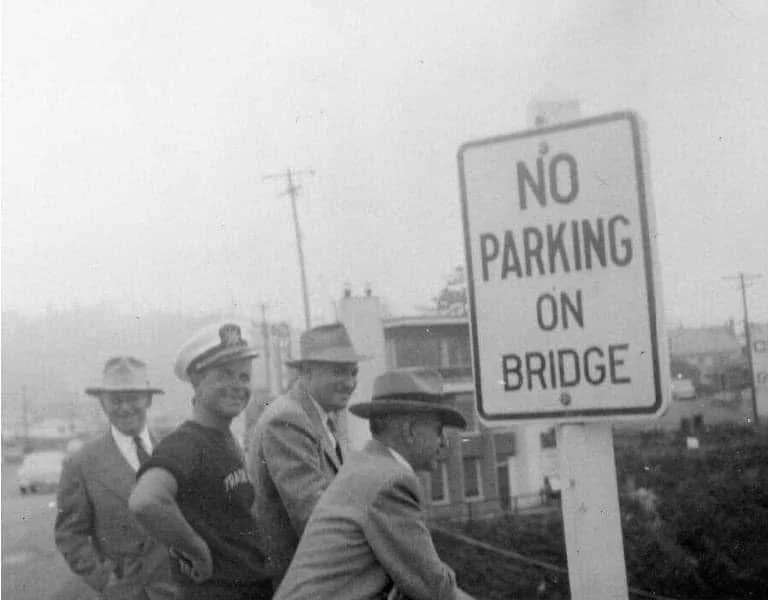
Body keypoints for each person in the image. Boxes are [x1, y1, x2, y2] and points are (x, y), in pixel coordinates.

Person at [273, 368, 475, 600]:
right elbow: (434, 588)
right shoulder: (391, 481)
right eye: (439, 430)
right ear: (409, 430)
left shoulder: (365, 467)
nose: (444, 442)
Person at [128, 321, 271, 600]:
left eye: (244, 377)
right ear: (197, 381)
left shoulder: (225, 440)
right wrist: (196, 549)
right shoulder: (186, 442)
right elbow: (146, 500)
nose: (237, 385)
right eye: (225, 375)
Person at [246, 321, 363, 586]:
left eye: (353, 373)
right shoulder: (288, 419)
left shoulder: (321, 419)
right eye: (338, 372)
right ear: (307, 372)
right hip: (298, 584)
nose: (349, 383)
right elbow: (314, 516)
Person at [54, 356, 178, 600]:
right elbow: (69, 535)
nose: (125, 408)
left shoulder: (173, 450)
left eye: (133, 398)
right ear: (103, 404)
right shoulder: (81, 464)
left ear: (148, 400)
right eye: (116, 400)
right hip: (126, 592)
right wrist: (105, 580)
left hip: (179, 589)